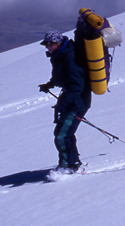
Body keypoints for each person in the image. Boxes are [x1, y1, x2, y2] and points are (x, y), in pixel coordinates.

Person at [38, 30, 92, 172]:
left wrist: (65, 102)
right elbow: (62, 77)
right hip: (73, 101)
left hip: (77, 102)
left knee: (62, 135)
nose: (47, 48)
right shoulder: (61, 56)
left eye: (49, 44)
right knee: (65, 133)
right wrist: (48, 85)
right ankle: (72, 162)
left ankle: (68, 166)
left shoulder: (70, 58)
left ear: (57, 43)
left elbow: (77, 85)